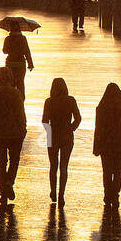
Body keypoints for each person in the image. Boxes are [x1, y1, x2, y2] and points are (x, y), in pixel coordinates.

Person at [0, 66, 27, 204]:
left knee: (2, 162)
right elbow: (20, 114)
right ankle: (9, 182)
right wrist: (23, 129)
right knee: (14, 159)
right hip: (15, 132)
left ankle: (3, 193)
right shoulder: (16, 93)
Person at [92, 82, 121, 210]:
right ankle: (115, 195)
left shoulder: (101, 108)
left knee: (107, 171)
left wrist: (96, 146)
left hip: (105, 144)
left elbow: (98, 128)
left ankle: (107, 195)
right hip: (120, 144)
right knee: (118, 171)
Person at [42, 77, 81, 205]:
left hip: (52, 135)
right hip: (67, 136)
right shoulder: (70, 100)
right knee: (64, 166)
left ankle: (53, 191)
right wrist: (71, 129)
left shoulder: (49, 101)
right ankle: (61, 194)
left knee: (53, 166)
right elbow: (78, 118)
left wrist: (49, 133)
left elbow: (44, 121)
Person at [2, 27, 34, 100]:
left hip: (10, 63)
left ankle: (11, 99)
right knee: (20, 83)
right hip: (21, 63)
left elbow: (4, 51)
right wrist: (30, 64)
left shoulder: (8, 39)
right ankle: (21, 100)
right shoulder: (23, 38)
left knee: (10, 83)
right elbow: (27, 51)